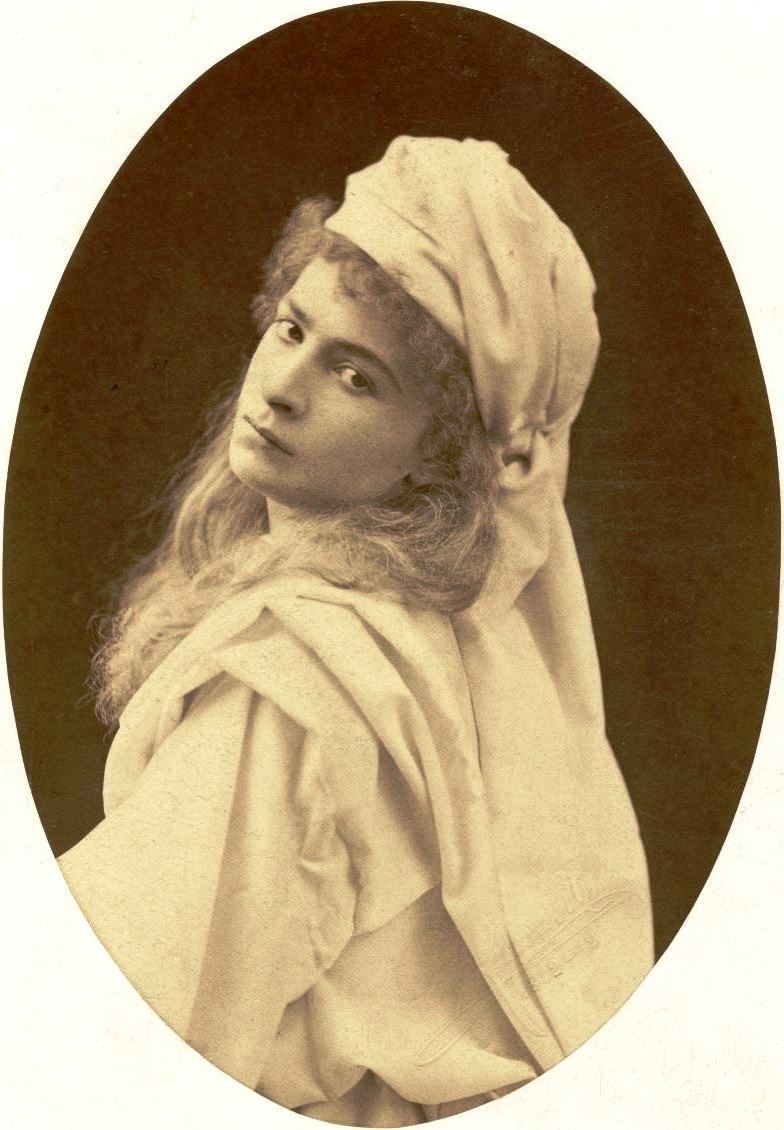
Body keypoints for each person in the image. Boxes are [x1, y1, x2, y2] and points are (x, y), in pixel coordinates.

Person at [58, 136, 654, 1126]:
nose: (282, 386)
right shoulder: (458, 638)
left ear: (441, 453)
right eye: (293, 328)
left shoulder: (295, 681)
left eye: (357, 377)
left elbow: (109, 1029)